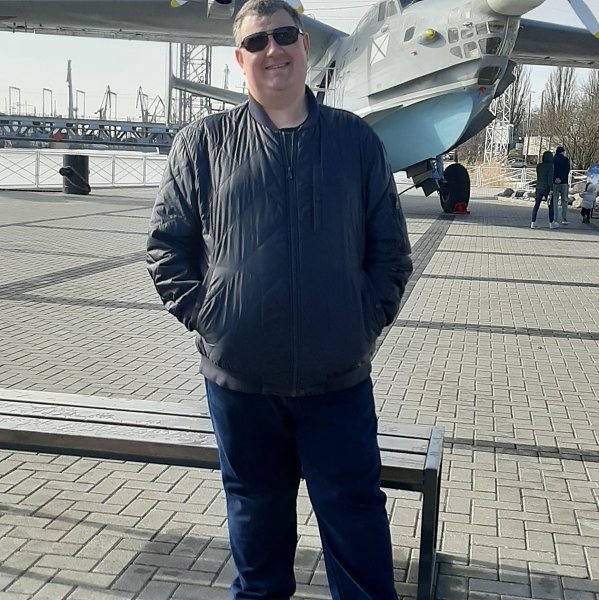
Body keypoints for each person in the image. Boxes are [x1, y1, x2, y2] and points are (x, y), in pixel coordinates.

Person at [146, 1, 413, 598]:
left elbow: (391, 255)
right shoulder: (203, 143)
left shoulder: (356, 142)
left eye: (285, 35)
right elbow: (167, 249)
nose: (274, 50)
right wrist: (214, 320)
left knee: (359, 545)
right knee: (258, 553)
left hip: (337, 384)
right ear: (239, 59)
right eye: (257, 41)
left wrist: (359, 324)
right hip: (241, 388)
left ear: (305, 45)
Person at [531, 150, 558, 229]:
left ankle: (533, 222)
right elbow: (550, 178)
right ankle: (551, 223)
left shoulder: (539, 166)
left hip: (539, 187)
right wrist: (551, 189)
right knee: (550, 206)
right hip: (547, 189)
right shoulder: (551, 166)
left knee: (536, 205)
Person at [553, 146, 571, 225]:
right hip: (564, 182)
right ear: (563, 152)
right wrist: (561, 178)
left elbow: (552, 170)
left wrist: (556, 178)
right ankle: (564, 218)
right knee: (564, 201)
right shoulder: (565, 160)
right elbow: (567, 170)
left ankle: (555, 218)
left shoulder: (553, 159)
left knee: (555, 201)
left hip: (555, 182)